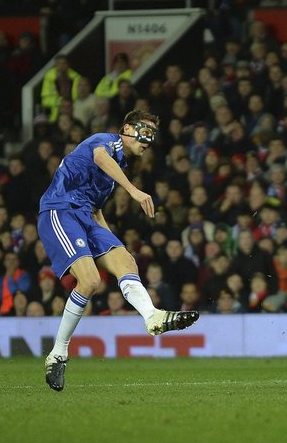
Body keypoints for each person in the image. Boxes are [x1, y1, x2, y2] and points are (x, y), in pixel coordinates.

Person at [38, 109, 199, 391]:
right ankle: (58, 354)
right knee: (89, 281)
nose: (147, 140)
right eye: (144, 131)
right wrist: (134, 191)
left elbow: (98, 211)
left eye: (152, 135)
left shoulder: (113, 175)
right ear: (126, 128)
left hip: (87, 216)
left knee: (126, 261)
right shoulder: (106, 141)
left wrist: (114, 246)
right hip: (60, 210)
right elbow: (100, 157)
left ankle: (152, 316)